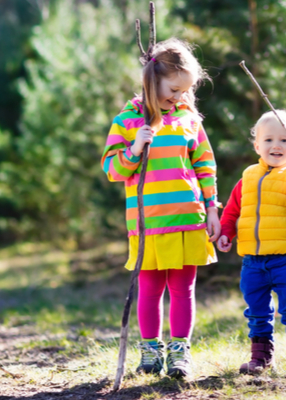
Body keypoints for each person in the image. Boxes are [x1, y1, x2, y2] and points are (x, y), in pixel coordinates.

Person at [101, 38, 220, 379]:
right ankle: (150, 350)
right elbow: (112, 170)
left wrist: (212, 209)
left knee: (183, 289)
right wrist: (136, 148)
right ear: (152, 79)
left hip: (188, 219)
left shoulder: (189, 120)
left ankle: (180, 352)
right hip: (148, 223)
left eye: (185, 91)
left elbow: (205, 167)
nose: (179, 97)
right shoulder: (127, 120)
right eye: (173, 89)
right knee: (150, 290)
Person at [217, 110, 286, 376]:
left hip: (285, 257)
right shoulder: (248, 177)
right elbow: (233, 210)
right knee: (256, 310)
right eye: (268, 140)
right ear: (257, 145)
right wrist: (225, 232)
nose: (276, 145)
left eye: (285, 140)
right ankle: (260, 358)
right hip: (253, 260)